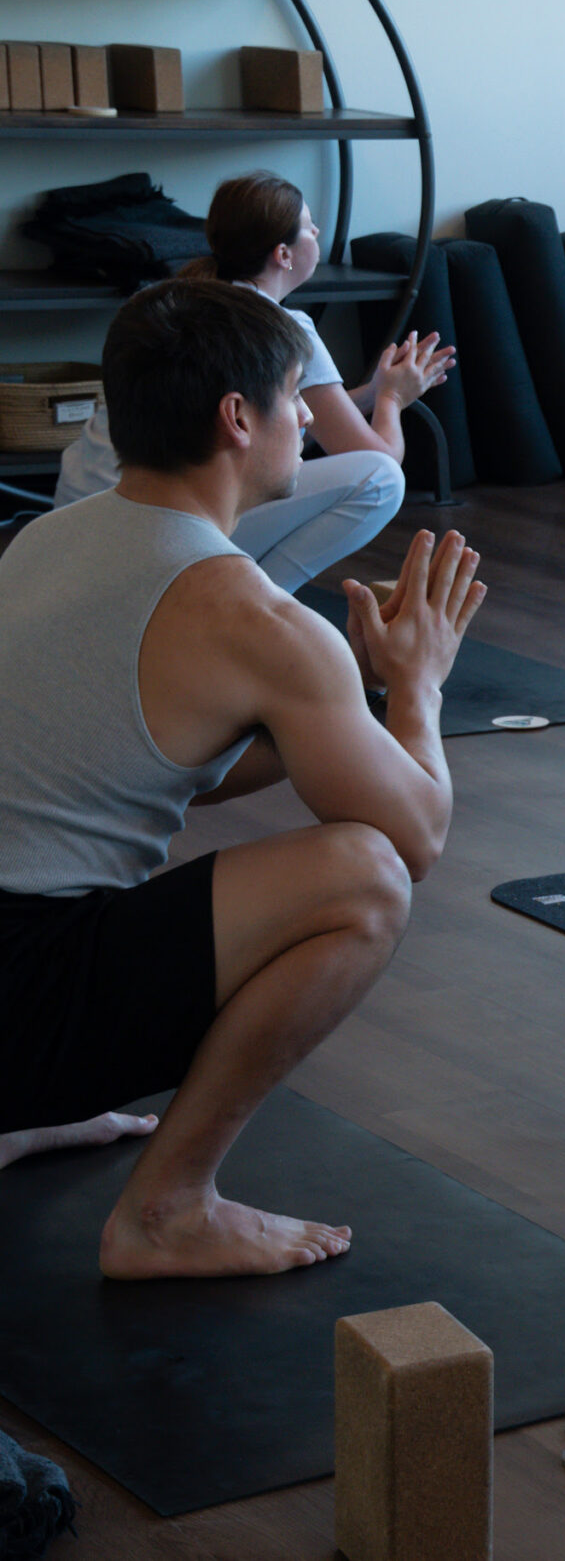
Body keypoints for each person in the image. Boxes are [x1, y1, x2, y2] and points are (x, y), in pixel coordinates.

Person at [0, 278, 484, 1279]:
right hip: (20, 1002)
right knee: (365, 879)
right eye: (295, 395)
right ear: (237, 417)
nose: (307, 417)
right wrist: (418, 684)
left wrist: (348, 698)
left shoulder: (43, 540)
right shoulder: (248, 615)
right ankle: (167, 1211)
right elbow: (418, 834)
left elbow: (154, 758)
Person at [55, 170, 454, 594]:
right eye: (309, 226)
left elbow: (286, 417)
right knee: (381, 480)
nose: (318, 232)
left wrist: (372, 393)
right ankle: (255, 601)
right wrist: (392, 397)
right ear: (283, 254)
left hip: (80, 512)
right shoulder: (279, 326)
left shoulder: (180, 298)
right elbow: (379, 456)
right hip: (154, 529)